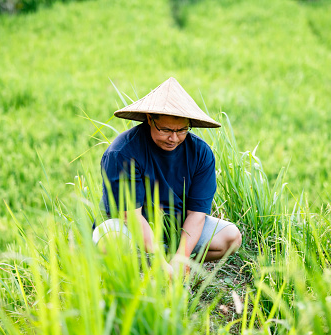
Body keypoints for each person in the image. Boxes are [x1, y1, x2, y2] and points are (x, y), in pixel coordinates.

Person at [93, 77, 242, 275]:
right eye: (165, 130)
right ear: (149, 119)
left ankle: (173, 262)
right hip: (127, 229)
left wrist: (182, 255)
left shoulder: (200, 153)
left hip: (173, 228)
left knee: (231, 237)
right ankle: (138, 268)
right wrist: (162, 265)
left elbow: (197, 214)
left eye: (182, 130)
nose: (174, 138)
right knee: (112, 240)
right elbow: (132, 217)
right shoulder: (122, 152)